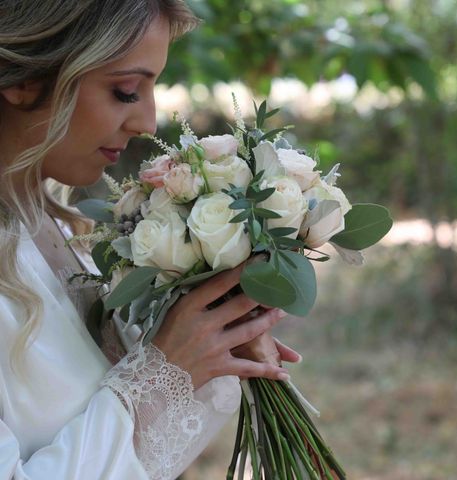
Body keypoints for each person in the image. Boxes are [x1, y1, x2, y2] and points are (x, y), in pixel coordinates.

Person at [0, 1, 300, 479]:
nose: (147, 121)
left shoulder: (60, 227)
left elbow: (146, 453)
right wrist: (165, 371)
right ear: (24, 79)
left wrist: (213, 340)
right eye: (125, 91)